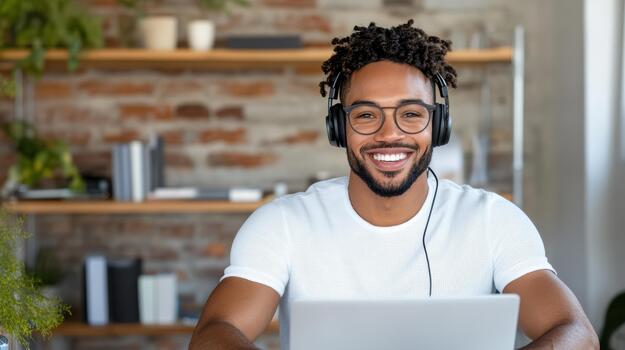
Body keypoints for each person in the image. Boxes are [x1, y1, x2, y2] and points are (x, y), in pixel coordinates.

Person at [189, 20, 598, 350]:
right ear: (338, 127)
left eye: (411, 114)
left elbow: (575, 333)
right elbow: (215, 331)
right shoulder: (282, 223)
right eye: (367, 115)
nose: (390, 135)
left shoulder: (494, 220)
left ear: (437, 125)